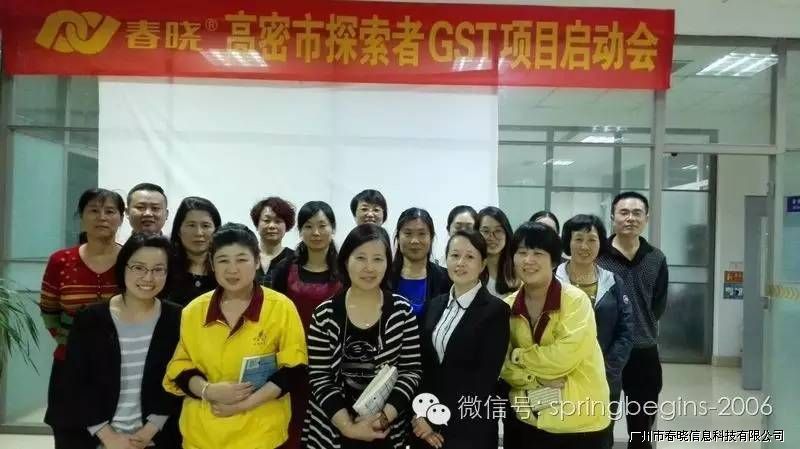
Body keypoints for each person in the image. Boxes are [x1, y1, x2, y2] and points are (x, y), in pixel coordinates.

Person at [163, 223, 307, 449]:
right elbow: (180, 367)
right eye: (223, 260)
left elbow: (293, 370)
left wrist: (242, 405)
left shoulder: (280, 307)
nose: (232, 269)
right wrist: (208, 391)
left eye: (241, 259)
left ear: (257, 261)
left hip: (261, 435)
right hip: (202, 434)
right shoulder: (194, 311)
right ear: (212, 265)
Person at [303, 224, 422, 449]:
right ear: (345, 261)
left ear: (387, 263)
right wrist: (348, 427)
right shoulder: (324, 314)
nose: (369, 267)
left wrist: (383, 418)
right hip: (333, 430)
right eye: (360, 258)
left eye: (378, 259)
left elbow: (411, 371)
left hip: (386, 430)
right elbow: (319, 377)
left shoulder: (401, 311)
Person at [64, 233, 182, 449]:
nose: (148, 278)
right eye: (138, 267)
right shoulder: (90, 319)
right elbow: (75, 382)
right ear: (123, 267)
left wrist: (149, 430)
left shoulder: (177, 318)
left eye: (158, 269)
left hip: (157, 437)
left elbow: (177, 379)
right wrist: (108, 437)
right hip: (98, 438)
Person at [500, 222, 611, 449]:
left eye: (538, 253)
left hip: (580, 421)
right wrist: (533, 379)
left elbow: (564, 357)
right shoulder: (506, 307)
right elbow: (500, 364)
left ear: (553, 261)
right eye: (522, 252)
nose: (528, 260)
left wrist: (519, 356)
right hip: (528, 418)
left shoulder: (576, 301)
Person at [40, 188, 125, 448]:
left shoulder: (131, 260)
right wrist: (74, 346)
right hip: (70, 366)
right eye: (94, 210)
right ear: (81, 216)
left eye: (110, 211)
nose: (102, 217)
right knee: (71, 436)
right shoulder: (60, 261)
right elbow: (49, 312)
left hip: (122, 367)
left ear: (121, 218)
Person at [412, 229, 510, 449]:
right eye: (455, 255)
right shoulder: (433, 305)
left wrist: (435, 417)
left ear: (482, 264)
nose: (460, 263)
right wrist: (420, 412)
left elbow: (483, 380)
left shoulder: (496, 311)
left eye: (470, 257)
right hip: (425, 428)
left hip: (468, 428)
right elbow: (423, 366)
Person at [266, 201, 342, 449]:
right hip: (292, 361)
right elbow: (272, 314)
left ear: (333, 228)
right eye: (308, 226)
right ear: (300, 231)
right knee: (291, 426)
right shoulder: (285, 269)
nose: (316, 232)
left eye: (322, 225)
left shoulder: (345, 270)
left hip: (332, 364)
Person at [597, 192, 668, 449]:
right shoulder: (598, 255)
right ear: (612, 217)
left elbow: (658, 304)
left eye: (637, 213)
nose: (630, 218)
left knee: (641, 428)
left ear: (646, 218)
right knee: (599, 423)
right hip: (604, 351)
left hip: (643, 351)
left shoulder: (656, 258)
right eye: (624, 212)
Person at [556, 214, 634, 446]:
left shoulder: (613, 282)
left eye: (592, 239)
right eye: (578, 239)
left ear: (601, 243)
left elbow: (626, 331)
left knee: (599, 438)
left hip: (604, 379)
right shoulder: (552, 280)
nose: (584, 246)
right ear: (567, 242)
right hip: (560, 380)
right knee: (559, 437)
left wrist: (606, 370)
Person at [390, 208, 451, 317]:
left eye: (422, 234)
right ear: (398, 238)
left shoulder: (446, 279)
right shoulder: (385, 277)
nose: (415, 240)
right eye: (408, 233)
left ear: (431, 238)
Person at [166, 196, 221, 307]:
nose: (199, 233)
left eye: (205, 226)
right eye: (191, 225)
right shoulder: (164, 265)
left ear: (216, 230)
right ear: (178, 230)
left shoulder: (224, 268)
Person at [251, 196, 296, 284]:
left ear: (286, 225)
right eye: (266, 220)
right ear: (257, 224)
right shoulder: (246, 257)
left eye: (278, 221)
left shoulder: (296, 260)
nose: (272, 226)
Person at [477, 207, 517, 298]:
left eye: (498, 231)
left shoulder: (518, 269)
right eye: (486, 231)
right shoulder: (471, 271)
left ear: (507, 233)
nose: (491, 237)